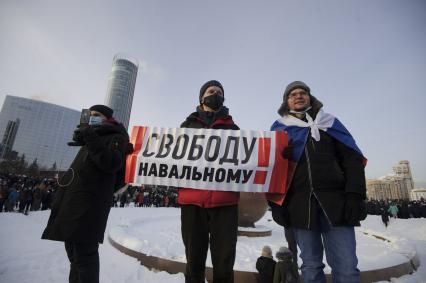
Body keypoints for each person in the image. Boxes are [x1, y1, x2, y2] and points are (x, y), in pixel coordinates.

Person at [269, 81, 367, 283]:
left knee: (347, 267)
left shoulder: (330, 123)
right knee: (310, 267)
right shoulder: (279, 129)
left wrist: (355, 195)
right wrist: (276, 204)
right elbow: (271, 170)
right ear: (286, 102)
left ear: (309, 98)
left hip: (336, 205)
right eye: (292, 94)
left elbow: (352, 160)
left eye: (302, 92)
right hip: (300, 207)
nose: (298, 96)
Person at [41, 105, 133, 283]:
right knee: (74, 254)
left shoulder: (117, 137)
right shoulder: (95, 137)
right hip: (75, 201)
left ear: (108, 119)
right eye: (89, 115)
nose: (92, 118)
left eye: (96, 115)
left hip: (90, 205)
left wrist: (90, 136)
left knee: (84, 256)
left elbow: (111, 163)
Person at [179, 80, 240, 283]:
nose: (216, 94)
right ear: (201, 98)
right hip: (192, 202)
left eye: (220, 92)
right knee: (193, 262)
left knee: (224, 264)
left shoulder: (234, 128)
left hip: (225, 203)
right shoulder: (186, 126)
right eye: (211, 91)